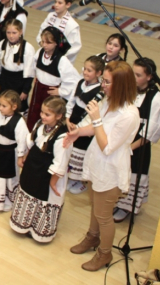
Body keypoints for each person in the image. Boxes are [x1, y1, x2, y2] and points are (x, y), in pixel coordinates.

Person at [65, 61, 139, 271]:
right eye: (104, 80)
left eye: (107, 82)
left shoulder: (129, 115)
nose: (102, 85)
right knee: (96, 208)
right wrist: (78, 132)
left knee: (104, 215)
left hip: (111, 168)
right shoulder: (109, 101)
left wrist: (96, 119)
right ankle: (92, 238)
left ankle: (104, 254)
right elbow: (95, 129)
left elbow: (107, 146)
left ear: (121, 85)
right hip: (97, 163)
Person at [10, 96, 72, 243]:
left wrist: (53, 182)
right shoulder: (40, 124)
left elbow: (60, 162)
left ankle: (39, 231)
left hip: (47, 172)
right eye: (42, 112)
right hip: (33, 166)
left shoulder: (62, 136)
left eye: (47, 114)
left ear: (59, 116)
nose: (42, 116)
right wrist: (25, 154)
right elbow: (31, 141)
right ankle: (24, 224)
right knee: (28, 191)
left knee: (44, 198)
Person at [114, 58, 160, 222]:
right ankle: (116, 200)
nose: (133, 78)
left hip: (138, 146)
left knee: (132, 174)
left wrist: (129, 148)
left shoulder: (155, 98)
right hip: (122, 140)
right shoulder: (129, 90)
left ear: (149, 77)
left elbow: (151, 132)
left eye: (138, 75)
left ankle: (127, 206)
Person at [26, 26, 80, 130]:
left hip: (50, 93)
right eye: (42, 42)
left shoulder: (62, 60)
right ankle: (31, 134)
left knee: (49, 116)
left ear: (56, 43)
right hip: (38, 90)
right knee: (34, 113)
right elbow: (32, 67)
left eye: (48, 42)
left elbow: (73, 80)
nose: (44, 45)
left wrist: (61, 91)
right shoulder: (40, 53)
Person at [66, 56, 105, 194]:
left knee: (80, 152)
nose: (85, 72)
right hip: (73, 121)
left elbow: (91, 115)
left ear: (98, 73)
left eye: (89, 70)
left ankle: (79, 180)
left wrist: (79, 128)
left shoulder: (100, 91)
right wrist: (67, 118)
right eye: (85, 68)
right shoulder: (80, 82)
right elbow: (71, 101)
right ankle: (69, 176)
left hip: (84, 126)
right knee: (69, 149)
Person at [0, 90, 28, 211]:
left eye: (4, 106)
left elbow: (22, 140)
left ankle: (8, 201)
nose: (0, 108)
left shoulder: (19, 121)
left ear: (14, 107)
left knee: (8, 178)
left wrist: (21, 157)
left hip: (9, 154)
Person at [0, 19, 35, 113]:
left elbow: (30, 73)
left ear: (21, 32)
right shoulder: (2, 44)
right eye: (8, 32)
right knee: (1, 105)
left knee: (16, 107)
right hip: (4, 80)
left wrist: (25, 91)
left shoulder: (28, 48)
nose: (11, 36)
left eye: (14, 32)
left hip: (19, 82)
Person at [36, 0, 81, 64]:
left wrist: (59, 56)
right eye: (55, 2)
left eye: (60, 3)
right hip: (45, 54)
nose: (56, 5)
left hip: (59, 61)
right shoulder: (50, 16)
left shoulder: (72, 25)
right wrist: (42, 44)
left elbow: (75, 47)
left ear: (68, 5)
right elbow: (41, 32)